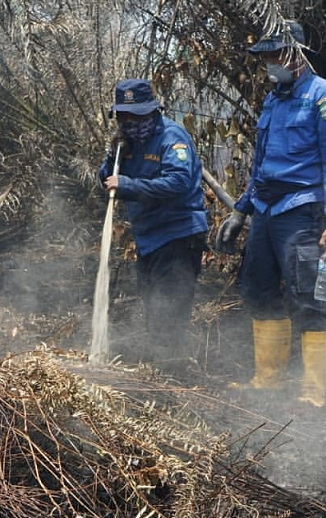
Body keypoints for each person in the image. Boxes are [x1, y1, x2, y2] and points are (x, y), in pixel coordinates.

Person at [215, 21, 326, 407]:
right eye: (266, 57)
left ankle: (312, 392)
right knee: (257, 289)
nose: (269, 64)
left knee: (307, 297)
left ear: (294, 55)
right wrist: (240, 212)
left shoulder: (324, 97)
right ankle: (269, 380)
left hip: (300, 210)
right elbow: (261, 164)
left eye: (274, 55)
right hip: (265, 210)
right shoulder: (274, 99)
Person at [99, 78, 208, 365]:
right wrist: (112, 158)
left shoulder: (171, 138)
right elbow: (107, 178)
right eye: (123, 117)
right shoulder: (127, 143)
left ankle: (171, 381)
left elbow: (178, 181)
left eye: (136, 116)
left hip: (178, 235)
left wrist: (129, 185)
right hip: (149, 239)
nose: (130, 122)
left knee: (168, 312)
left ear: (151, 112)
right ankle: (160, 371)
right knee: (153, 305)